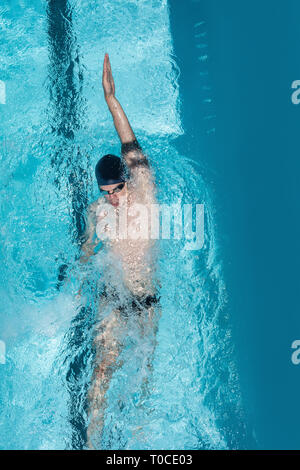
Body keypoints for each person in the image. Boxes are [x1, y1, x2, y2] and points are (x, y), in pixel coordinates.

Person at [80, 53, 160, 448]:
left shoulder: (144, 189)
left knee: (142, 379)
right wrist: (78, 281)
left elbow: (129, 143)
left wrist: (112, 100)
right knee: (101, 375)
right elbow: (86, 253)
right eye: (105, 192)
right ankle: (93, 441)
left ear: (129, 179)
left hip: (146, 299)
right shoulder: (98, 211)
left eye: (117, 189)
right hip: (112, 298)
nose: (112, 199)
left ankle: (137, 441)